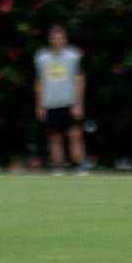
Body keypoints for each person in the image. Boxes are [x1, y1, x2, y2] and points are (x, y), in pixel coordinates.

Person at [34, 24, 87, 173]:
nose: (57, 40)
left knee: (75, 134)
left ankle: (79, 165)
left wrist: (78, 103)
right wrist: (39, 104)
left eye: (60, 38)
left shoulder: (73, 55)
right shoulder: (41, 57)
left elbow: (79, 79)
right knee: (54, 136)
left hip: (69, 101)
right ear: (49, 39)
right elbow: (39, 81)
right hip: (50, 102)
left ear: (65, 39)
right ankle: (57, 166)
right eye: (54, 38)